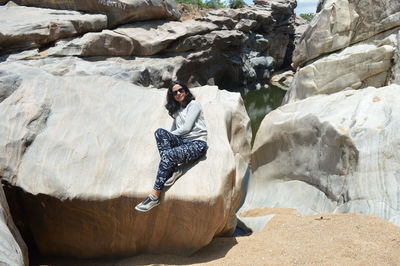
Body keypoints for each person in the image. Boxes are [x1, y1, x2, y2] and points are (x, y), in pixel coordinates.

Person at [135, 81, 208, 212]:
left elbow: (186, 128)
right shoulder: (177, 111)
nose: (178, 93)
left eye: (180, 90)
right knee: (159, 132)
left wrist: (169, 137)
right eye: (175, 93)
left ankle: (155, 195)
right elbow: (171, 132)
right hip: (183, 142)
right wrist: (166, 137)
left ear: (186, 91)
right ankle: (173, 169)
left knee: (167, 154)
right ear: (172, 96)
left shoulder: (194, 105)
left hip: (197, 144)